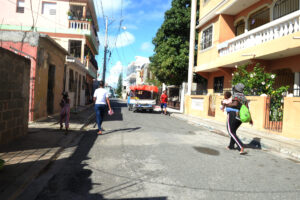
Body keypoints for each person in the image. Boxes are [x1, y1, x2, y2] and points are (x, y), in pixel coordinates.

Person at [222, 83, 252, 155]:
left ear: (236, 89)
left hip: (233, 115)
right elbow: (247, 109)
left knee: (230, 131)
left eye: (235, 88)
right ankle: (231, 146)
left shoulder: (236, 95)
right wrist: (250, 119)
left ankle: (240, 146)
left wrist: (225, 104)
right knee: (233, 131)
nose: (234, 89)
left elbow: (235, 104)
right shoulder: (244, 97)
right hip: (240, 117)